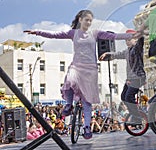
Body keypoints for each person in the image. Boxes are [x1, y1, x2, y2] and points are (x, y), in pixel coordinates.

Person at [24, 9, 134, 139]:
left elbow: (113, 36)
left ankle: (87, 127)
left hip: (90, 69)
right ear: (80, 20)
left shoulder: (95, 33)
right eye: (86, 20)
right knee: (69, 80)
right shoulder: (73, 33)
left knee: (87, 101)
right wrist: (37, 32)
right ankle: (69, 104)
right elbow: (55, 34)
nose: (88, 22)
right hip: (77, 65)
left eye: (90, 20)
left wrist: (130, 35)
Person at [99, 29, 146, 124]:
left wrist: (139, 33)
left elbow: (141, 39)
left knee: (129, 96)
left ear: (134, 39)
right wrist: (107, 54)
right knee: (123, 97)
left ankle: (137, 118)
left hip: (138, 77)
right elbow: (117, 54)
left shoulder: (137, 48)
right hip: (130, 79)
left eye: (129, 39)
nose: (127, 42)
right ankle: (134, 113)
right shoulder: (127, 51)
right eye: (126, 40)